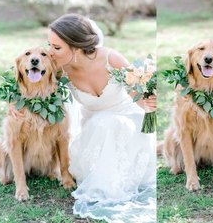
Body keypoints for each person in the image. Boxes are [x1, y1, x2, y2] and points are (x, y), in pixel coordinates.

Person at [13, 13, 156, 222]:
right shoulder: (59, 69)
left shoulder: (111, 58)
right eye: (49, 45)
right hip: (93, 131)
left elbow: (139, 96)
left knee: (111, 122)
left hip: (126, 123)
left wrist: (150, 101)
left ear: (76, 46)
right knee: (103, 123)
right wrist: (12, 101)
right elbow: (25, 79)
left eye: (57, 47)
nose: (50, 53)